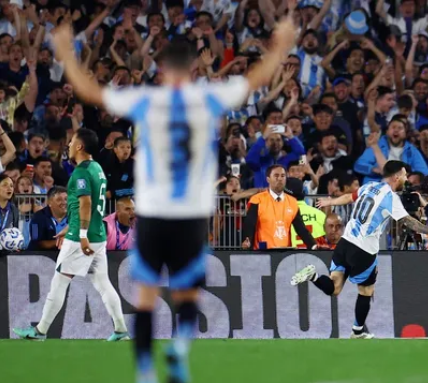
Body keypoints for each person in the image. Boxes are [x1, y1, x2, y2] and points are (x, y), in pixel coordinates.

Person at [44, 17, 296, 383]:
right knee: (188, 292)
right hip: (192, 214)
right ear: (194, 67)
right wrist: (281, 44)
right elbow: (256, 79)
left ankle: (145, 371)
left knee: (146, 296)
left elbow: (90, 91)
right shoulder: (207, 96)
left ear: (160, 69)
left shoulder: (147, 99)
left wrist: (66, 51)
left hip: (156, 212)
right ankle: (179, 348)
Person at [291, 160, 428, 339]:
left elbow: (350, 197)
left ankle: (313, 276)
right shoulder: (390, 197)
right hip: (364, 249)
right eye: (404, 175)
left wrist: (330, 201)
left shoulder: (369, 186)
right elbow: (407, 221)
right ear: (396, 177)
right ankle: (357, 331)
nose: (406, 178)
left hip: (345, 242)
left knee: (334, 287)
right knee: (366, 291)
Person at [13, 129, 128, 343]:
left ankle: (40, 331)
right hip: (97, 235)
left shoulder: (81, 172)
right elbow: (86, 205)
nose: (69, 144)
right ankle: (121, 329)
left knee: (59, 282)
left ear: (79, 146)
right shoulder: (97, 169)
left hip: (81, 239)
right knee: (103, 284)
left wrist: (80, 234)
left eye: (72, 140)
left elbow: (86, 203)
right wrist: (72, 226)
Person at [242, 166, 317, 250]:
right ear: (268, 179)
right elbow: (249, 224)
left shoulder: (292, 202)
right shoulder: (257, 200)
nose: (280, 179)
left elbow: (301, 229)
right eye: (276, 176)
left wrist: (313, 245)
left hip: (284, 253)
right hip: (262, 253)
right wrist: (246, 239)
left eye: (282, 176)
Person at [27, 186, 68, 250]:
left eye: (66, 199)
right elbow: (36, 242)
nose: (64, 202)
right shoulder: (37, 218)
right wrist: (60, 242)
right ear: (49, 202)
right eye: (59, 199)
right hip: (40, 256)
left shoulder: (75, 217)